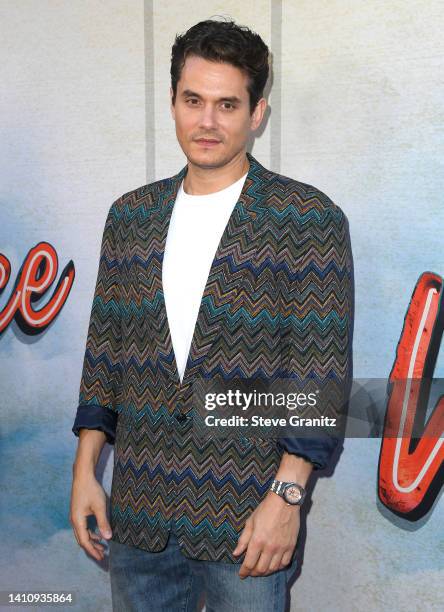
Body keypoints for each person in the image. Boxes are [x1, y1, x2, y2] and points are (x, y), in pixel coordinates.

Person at [70, 18, 354, 612]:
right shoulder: (130, 217)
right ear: (172, 102)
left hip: (248, 519)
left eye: (227, 104)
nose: (207, 121)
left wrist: (286, 500)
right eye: (193, 100)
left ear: (257, 113)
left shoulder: (307, 219)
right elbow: (105, 355)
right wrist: (85, 471)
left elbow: (317, 383)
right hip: (138, 514)